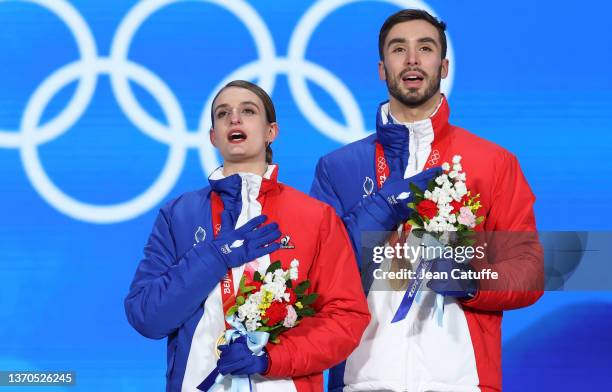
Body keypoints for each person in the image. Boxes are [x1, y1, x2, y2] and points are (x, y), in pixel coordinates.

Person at [310, 9, 543, 392]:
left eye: (426, 48)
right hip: (361, 380)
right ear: (382, 68)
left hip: (462, 380)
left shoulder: (493, 163)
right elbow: (319, 275)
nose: (413, 59)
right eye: (399, 49)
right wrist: (382, 210)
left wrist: (472, 282)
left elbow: (529, 270)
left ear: (444, 65)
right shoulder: (338, 168)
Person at [125, 80, 370, 392]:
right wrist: (214, 257)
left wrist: (270, 358)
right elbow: (146, 316)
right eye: (223, 113)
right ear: (213, 137)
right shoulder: (178, 215)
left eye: (248, 111)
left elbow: (345, 318)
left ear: (271, 132)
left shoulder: (316, 217)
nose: (234, 119)